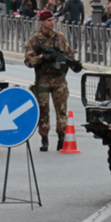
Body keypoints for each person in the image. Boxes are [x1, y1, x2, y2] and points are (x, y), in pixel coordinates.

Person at [23, 10, 76, 151]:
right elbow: (28, 61)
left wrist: (63, 61)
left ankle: (61, 137)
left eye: (53, 20)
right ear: (42, 22)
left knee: (62, 111)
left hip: (59, 80)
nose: (52, 22)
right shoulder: (34, 40)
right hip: (43, 81)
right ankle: (44, 139)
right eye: (49, 20)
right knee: (43, 111)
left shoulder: (60, 37)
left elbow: (70, 54)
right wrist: (41, 58)